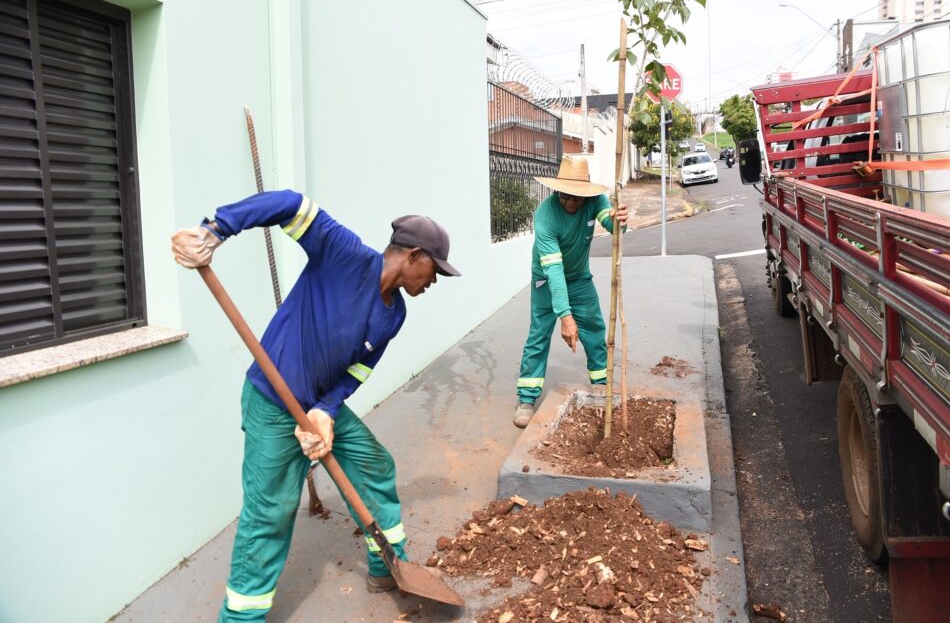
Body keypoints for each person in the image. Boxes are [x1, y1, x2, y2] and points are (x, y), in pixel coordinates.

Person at [170, 190, 460, 621]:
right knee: (270, 511)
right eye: (433, 271)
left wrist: (326, 410)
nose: (433, 281)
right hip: (272, 401)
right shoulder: (344, 255)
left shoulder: (394, 314)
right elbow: (291, 204)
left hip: (320, 408)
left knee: (375, 466)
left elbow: (357, 372)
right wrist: (216, 230)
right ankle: (241, 617)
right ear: (413, 256)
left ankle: (387, 565)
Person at [513, 157, 628, 428]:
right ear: (557, 191)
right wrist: (565, 316)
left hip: (579, 279)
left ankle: (601, 388)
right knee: (539, 334)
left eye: (578, 197)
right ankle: (527, 397)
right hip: (545, 281)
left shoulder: (595, 201)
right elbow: (554, 272)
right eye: (566, 196)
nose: (572, 203)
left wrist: (618, 219)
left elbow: (614, 229)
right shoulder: (545, 217)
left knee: (596, 333)